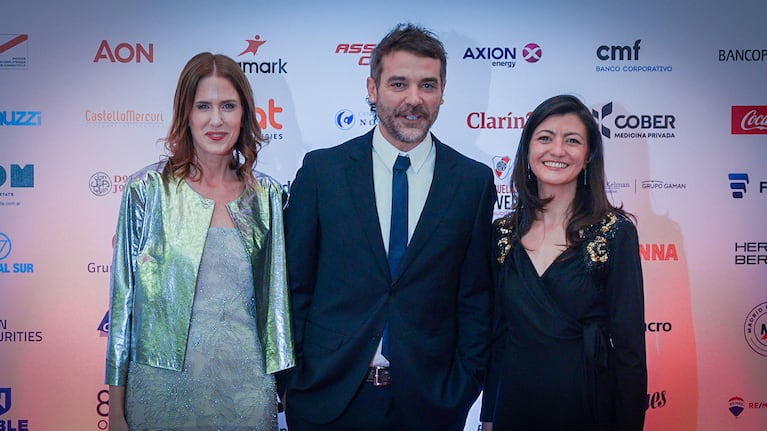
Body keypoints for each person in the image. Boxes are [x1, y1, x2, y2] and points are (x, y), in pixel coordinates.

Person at [281, 23, 495, 431]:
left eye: (428, 85)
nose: (414, 99)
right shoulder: (323, 172)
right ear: (372, 88)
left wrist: (464, 385)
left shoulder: (472, 181)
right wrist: (292, 381)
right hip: (328, 402)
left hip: (430, 406)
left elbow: (475, 297)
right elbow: (294, 287)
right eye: (399, 83)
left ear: (443, 93)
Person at [104, 52, 294, 431]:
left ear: (244, 114)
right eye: (203, 106)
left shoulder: (268, 197)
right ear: (185, 114)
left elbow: (278, 307)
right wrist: (114, 406)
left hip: (246, 391)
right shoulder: (148, 191)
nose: (216, 119)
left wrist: (285, 388)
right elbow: (123, 304)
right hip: (161, 389)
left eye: (228, 106)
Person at [480, 94, 647, 431]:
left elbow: (630, 350)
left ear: (588, 157)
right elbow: (498, 338)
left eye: (572, 140)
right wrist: (487, 418)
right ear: (527, 151)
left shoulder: (615, 234)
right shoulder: (501, 234)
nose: (557, 150)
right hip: (515, 404)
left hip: (586, 404)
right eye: (545, 138)